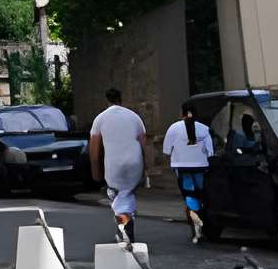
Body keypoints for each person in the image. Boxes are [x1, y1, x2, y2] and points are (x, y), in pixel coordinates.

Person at [87, 87, 148, 245]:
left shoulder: (100, 119)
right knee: (127, 194)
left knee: (117, 196)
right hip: (134, 162)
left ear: (107, 100)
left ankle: (125, 228)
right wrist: (145, 169)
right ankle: (127, 223)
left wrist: (96, 174)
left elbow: (94, 152)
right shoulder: (134, 117)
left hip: (114, 164)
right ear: (121, 99)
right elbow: (144, 145)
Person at [161, 101, 217, 243]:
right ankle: (204, 224)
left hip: (182, 168)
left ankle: (196, 228)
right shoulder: (205, 129)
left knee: (190, 196)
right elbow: (211, 152)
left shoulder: (173, 128)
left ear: (182, 113)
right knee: (201, 195)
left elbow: (166, 151)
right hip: (201, 168)